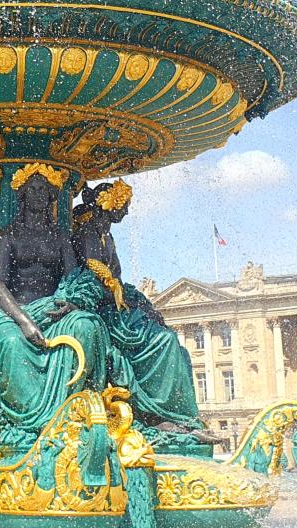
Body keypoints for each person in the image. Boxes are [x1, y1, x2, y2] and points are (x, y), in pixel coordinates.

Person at [72, 181, 217, 444]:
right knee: (164, 342)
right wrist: (118, 293)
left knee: (170, 341)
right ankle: (157, 414)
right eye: (123, 205)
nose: (127, 212)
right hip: (100, 308)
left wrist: (142, 304)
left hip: (115, 306)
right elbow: (92, 274)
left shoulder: (107, 236)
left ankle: (178, 416)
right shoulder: (88, 232)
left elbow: (116, 278)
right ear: (109, 203)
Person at [0, 163, 110, 444]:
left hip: (52, 309)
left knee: (87, 326)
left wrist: (73, 303)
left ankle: (71, 411)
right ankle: (28, 422)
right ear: (22, 195)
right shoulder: (9, 235)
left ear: (51, 197)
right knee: (12, 343)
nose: (38, 194)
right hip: (12, 311)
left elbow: (73, 278)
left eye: (44, 190)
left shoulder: (59, 237)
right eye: (33, 189)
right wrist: (23, 321)